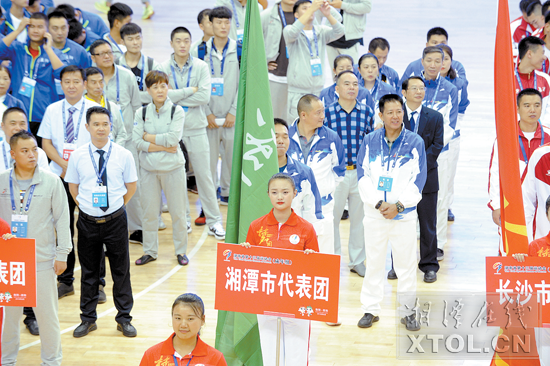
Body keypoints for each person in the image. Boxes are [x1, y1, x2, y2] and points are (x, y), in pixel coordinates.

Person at [65, 106, 137, 338]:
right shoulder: (77, 156)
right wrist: (86, 206)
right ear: (87, 127)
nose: (101, 128)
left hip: (115, 220)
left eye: (105, 124)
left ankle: (124, 318)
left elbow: (131, 187)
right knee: (89, 272)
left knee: (121, 271)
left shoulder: (123, 154)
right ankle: (88, 319)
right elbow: (73, 187)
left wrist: (115, 206)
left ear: (110, 127)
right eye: (96, 124)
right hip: (86, 221)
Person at [0, 130, 71, 366]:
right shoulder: (1, 180)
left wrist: (62, 254)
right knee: (9, 319)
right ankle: (6, 360)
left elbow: (62, 219)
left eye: (34, 150)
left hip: (41, 260)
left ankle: (51, 361)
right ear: (12, 154)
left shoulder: (52, 181)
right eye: (25, 151)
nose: (32, 155)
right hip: (9, 263)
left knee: (47, 316)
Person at [356, 94, 427, 331]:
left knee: (406, 265)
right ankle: (370, 309)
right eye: (390, 112)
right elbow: (362, 175)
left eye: (399, 111)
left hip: (403, 215)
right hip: (375, 214)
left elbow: (419, 179)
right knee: (374, 262)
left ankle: (408, 313)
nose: (395, 116)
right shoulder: (369, 140)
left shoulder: (414, 142)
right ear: (381, 115)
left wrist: (398, 205)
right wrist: (378, 203)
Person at [242, 173, 318, 366]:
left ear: (295, 193)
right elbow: (249, 266)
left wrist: (311, 258)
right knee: (270, 354)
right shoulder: (256, 227)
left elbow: (317, 268)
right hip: (267, 298)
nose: (280, 197)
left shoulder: (306, 229)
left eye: (285, 192)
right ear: (268, 194)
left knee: (297, 356)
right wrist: (244, 253)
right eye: (275, 192)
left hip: (297, 299)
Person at [160, 26, 226, 238]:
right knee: (177, 177)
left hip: (197, 128)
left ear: (191, 43)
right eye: (178, 40)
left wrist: (175, 95)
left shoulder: (200, 66)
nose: (182, 44)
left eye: (186, 41)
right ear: (171, 43)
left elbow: (204, 97)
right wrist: (189, 91)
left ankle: (214, 221)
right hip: (173, 131)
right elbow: (162, 98)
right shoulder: (162, 68)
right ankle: (184, 221)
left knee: (205, 175)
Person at [38, 65, 98, 299]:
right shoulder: (53, 109)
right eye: (67, 82)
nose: (71, 86)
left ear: (84, 84)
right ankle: (66, 280)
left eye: (76, 81)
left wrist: (77, 168)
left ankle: (97, 283)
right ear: (60, 85)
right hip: (59, 177)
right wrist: (65, 166)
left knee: (91, 229)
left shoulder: (93, 108)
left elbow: (100, 141)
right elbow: (46, 143)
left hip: (88, 178)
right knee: (63, 228)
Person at [390, 76, 444, 283]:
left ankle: (429, 266)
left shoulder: (435, 117)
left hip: (427, 179)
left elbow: (436, 147)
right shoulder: (395, 116)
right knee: (400, 223)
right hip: (399, 181)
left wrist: (416, 168)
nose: (419, 92)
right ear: (404, 92)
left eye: (422, 88)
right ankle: (398, 265)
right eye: (414, 88)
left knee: (428, 224)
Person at [0, 106, 49, 336]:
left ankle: (31, 317)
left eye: (22, 123)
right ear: (3, 126)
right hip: (4, 227)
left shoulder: (35, 153)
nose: (18, 127)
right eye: (13, 123)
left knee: (30, 275)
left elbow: (45, 185)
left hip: (32, 223)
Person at [133, 70, 189, 266]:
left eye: (163, 85)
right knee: (148, 213)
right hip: (148, 170)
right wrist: (161, 145)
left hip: (173, 169)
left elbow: (174, 139)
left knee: (178, 212)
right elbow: (137, 141)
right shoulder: (141, 112)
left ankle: (181, 251)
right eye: (155, 86)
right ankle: (150, 251)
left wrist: (148, 138)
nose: (159, 90)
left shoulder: (177, 111)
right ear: (148, 90)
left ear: (168, 87)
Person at [90, 39, 143, 243]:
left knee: (131, 185)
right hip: (97, 148)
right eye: (101, 53)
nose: (107, 56)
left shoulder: (127, 75)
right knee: (103, 187)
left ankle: (137, 228)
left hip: (125, 142)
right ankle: (104, 229)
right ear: (93, 58)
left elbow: (137, 106)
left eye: (109, 52)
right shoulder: (91, 78)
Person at [324, 70, 373, 277]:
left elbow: (371, 142)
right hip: (337, 174)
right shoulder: (326, 113)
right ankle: (332, 260)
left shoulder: (367, 112)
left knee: (360, 220)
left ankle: (357, 260)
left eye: (355, 84)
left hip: (360, 173)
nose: (352, 87)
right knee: (332, 218)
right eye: (347, 84)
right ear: (337, 89)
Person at [287, 94, 345, 256]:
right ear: (303, 115)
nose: (322, 116)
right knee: (292, 250)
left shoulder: (331, 137)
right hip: (291, 204)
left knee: (323, 252)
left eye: (323, 111)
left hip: (322, 205)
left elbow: (339, 171)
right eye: (318, 113)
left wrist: (324, 188)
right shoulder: (285, 136)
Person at [192, 6, 239, 206]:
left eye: (227, 22)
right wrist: (207, 113)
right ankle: (209, 200)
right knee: (208, 162)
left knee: (231, 159)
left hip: (231, 116)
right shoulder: (199, 50)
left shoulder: (240, 49)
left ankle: (228, 194)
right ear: (210, 24)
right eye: (218, 22)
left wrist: (234, 111)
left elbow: (244, 84)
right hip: (207, 117)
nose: (223, 26)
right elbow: (195, 85)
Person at [0, 12, 66, 146]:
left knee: (41, 154)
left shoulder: (53, 53)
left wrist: (49, 50)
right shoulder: (18, 49)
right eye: (32, 26)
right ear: (27, 28)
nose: (35, 30)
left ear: (47, 30)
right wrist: (18, 30)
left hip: (43, 115)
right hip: (20, 116)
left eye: (40, 27)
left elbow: (63, 74)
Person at [499, 89, 550, 245]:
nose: (532, 110)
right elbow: (527, 201)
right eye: (527, 105)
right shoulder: (540, 155)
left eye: (536, 105)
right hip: (542, 235)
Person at [283, 0, 344, 121]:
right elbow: (292, 33)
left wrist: (327, 14)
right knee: (296, 127)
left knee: (316, 126)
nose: (310, 10)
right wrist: (311, 9)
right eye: (304, 8)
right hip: (297, 92)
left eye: (311, 8)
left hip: (318, 91)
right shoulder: (289, 29)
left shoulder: (321, 31)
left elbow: (340, 31)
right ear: (296, 14)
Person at [139, 293, 227, 366]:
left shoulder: (215, 359)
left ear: (202, 320)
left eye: (190, 319)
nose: (183, 325)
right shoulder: (151, 355)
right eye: (178, 318)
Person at [275, 118, 323, 231]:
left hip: (294, 235)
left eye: (285, 137)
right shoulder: (257, 171)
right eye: (276, 137)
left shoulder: (304, 172)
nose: (281, 141)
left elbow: (311, 208)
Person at [439, 44, 469, 224]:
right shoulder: (422, 83)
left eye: (446, 59)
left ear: (452, 62)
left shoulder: (458, 83)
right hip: (428, 138)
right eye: (437, 59)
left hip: (452, 136)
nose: (441, 63)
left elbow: (464, 104)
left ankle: (447, 205)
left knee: (449, 174)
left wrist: (454, 126)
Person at [399, 27, 467, 92]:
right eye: (434, 43)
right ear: (427, 45)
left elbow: (463, 89)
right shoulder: (414, 66)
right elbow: (401, 88)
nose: (438, 46)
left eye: (442, 43)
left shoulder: (457, 66)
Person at [261, 0, 297, 120]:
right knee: (274, 119)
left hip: (300, 79)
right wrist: (262, 64)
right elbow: (254, 44)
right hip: (276, 77)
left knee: (295, 120)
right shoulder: (266, 16)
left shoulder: (305, 15)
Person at [48, 11, 92, 98]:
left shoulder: (80, 51)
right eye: (55, 28)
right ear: (47, 29)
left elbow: (87, 78)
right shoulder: (42, 49)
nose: (60, 32)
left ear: (68, 28)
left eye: (63, 28)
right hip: (46, 100)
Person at [84, 66, 127, 145]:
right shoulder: (81, 108)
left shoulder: (112, 106)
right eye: (94, 83)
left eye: (101, 82)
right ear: (85, 85)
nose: (98, 86)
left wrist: (114, 150)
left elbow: (122, 134)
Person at [117, 22, 158, 104]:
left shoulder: (152, 65)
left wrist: (128, 97)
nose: (135, 42)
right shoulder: (116, 65)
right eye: (130, 39)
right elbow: (113, 94)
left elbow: (157, 94)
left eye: (138, 38)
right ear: (122, 42)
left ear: (142, 38)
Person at [514, 36, 550, 128]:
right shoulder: (508, 81)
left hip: (542, 137)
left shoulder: (546, 79)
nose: (544, 58)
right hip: (515, 135)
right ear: (529, 54)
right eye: (542, 53)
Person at [324, 0, 372, 67]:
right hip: (331, 33)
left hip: (351, 36)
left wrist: (342, 5)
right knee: (335, 74)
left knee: (351, 72)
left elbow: (367, 7)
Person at [357, 53, 396, 127]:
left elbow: (395, 112)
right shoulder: (354, 89)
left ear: (378, 68)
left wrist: (383, 124)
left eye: (374, 67)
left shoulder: (388, 90)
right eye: (366, 67)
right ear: (359, 69)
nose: (370, 70)